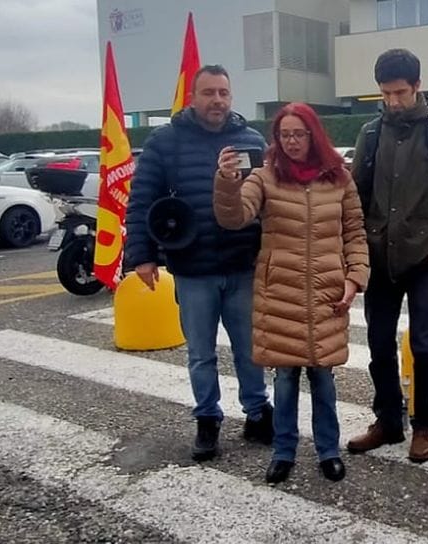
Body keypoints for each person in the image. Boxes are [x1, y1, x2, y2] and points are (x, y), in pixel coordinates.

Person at [213, 102, 369, 484]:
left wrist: (355, 279)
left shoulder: (340, 179)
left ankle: (328, 451)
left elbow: (355, 233)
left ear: (314, 134)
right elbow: (233, 217)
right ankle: (283, 451)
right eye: (285, 135)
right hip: (280, 295)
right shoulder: (265, 178)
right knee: (284, 381)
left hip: (327, 294)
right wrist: (227, 181)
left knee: (324, 380)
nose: (292, 141)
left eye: (299, 133)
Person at [125, 65, 273, 462]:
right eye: (209, 92)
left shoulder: (251, 140)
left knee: (250, 349)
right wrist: (141, 256)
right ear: (193, 97)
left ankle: (258, 413)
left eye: (224, 92)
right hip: (192, 268)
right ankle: (208, 419)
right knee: (201, 354)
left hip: (243, 264)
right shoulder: (165, 142)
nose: (217, 100)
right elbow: (141, 200)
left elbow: (270, 202)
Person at [346, 48, 428, 463]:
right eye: (385, 93)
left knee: (424, 345)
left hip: (425, 260)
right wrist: (358, 248)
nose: (393, 101)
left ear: (417, 86)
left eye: (400, 92)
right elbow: (356, 194)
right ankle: (387, 420)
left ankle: (423, 425)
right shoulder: (371, 132)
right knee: (379, 343)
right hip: (380, 257)